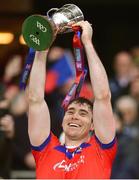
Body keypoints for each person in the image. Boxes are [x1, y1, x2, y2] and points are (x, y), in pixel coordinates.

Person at [27, 21, 117, 179]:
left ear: (93, 125)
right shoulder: (45, 150)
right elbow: (35, 99)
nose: (75, 116)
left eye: (83, 113)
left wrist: (87, 43)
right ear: (62, 121)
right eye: (71, 111)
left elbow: (103, 96)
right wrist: (43, 49)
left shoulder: (101, 150)